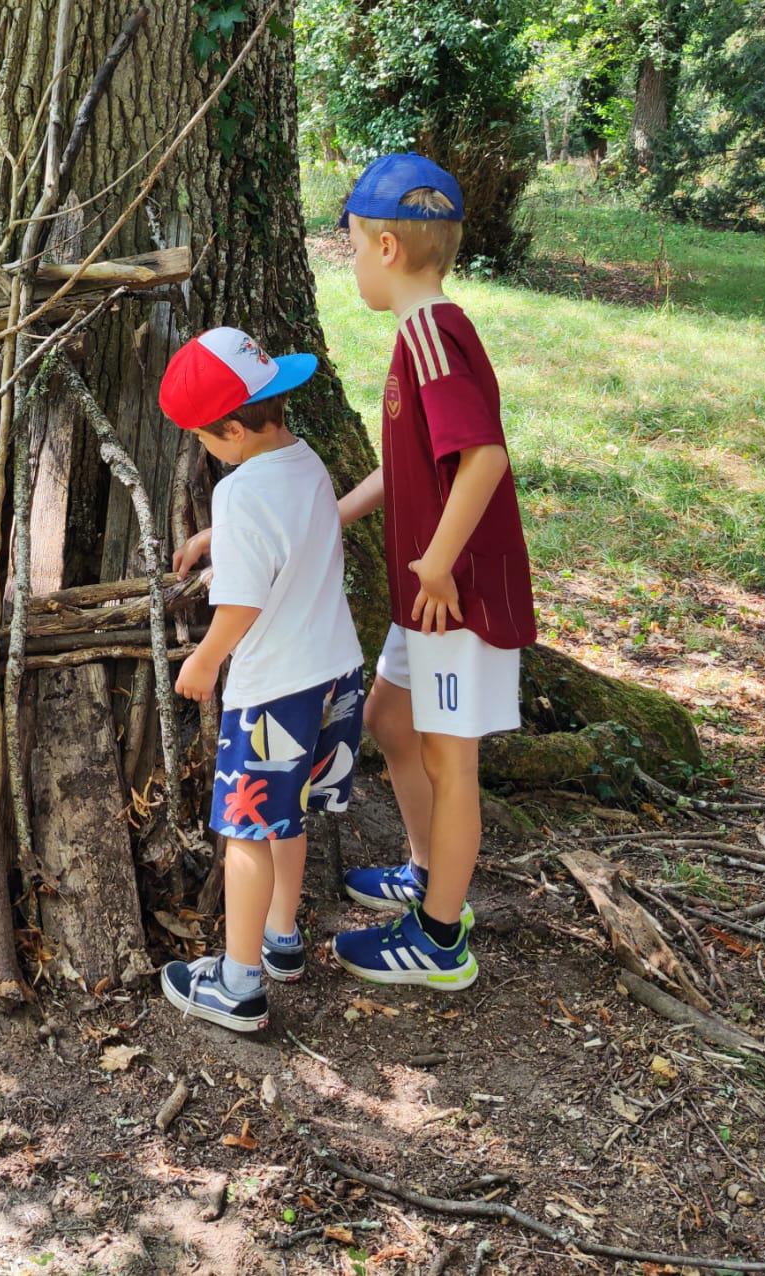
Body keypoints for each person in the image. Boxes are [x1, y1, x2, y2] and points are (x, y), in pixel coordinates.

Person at [332, 153, 537, 991]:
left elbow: (483, 457)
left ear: (386, 248)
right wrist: (335, 514)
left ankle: (442, 938)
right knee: (389, 719)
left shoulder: (430, 335)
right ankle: (426, 873)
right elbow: (413, 464)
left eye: (350, 247)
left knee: (454, 763)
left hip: (458, 600)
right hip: (428, 601)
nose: (351, 264)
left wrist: (440, 565)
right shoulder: (420, 337)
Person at [157, 326, 366, 1032]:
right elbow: (296, 525)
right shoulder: (304, 459)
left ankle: (240, 984)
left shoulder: (240, 494)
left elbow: (242, 600)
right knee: (289, 812)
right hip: (334, 673)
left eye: (205, 440)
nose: (205, 452)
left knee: (246, 830)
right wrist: (218, 536)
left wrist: (206, 659)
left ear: (232, 428)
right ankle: (281, 936)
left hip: (274, 690)